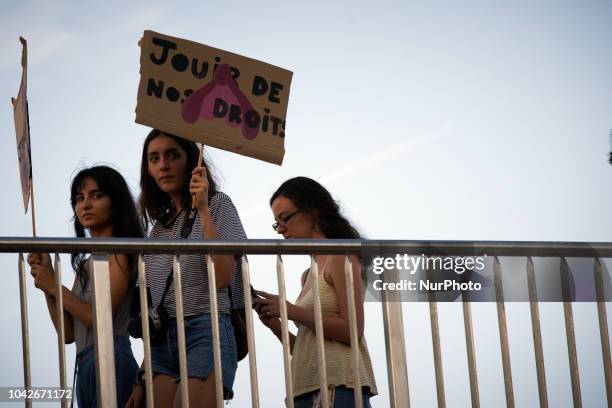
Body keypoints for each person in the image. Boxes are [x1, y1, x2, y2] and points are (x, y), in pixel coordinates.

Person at [127, 129, 246, 407]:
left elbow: (223, 277)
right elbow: (159, 306)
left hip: (206, 330)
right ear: (148, 169)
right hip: (161, 345)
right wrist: (142, 376)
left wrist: (203, 209)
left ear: (192, 161)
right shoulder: (157, 231)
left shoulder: (218, 204)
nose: (164, 165)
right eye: (154, 158)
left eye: (172, 155)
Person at [255, 176, 378, 407]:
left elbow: (353, 330)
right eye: (276, 223)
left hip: (340, 387)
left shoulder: (341, 257)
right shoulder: (307, 275)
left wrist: (289, 310)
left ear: (312, 212)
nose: (280, 229)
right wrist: (278, 328)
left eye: (285, 218)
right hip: (305, 389)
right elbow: (309, 349)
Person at [27, 165, 142, 407]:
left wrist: (56, 288)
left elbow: (98, 318)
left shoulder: (120, 254)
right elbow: (68, 333)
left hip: (113, 357)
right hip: (84, 364)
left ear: (115, 201)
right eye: (79, 198)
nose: (85, 204)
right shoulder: (87, 265)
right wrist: (48, 284)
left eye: (96, 195)